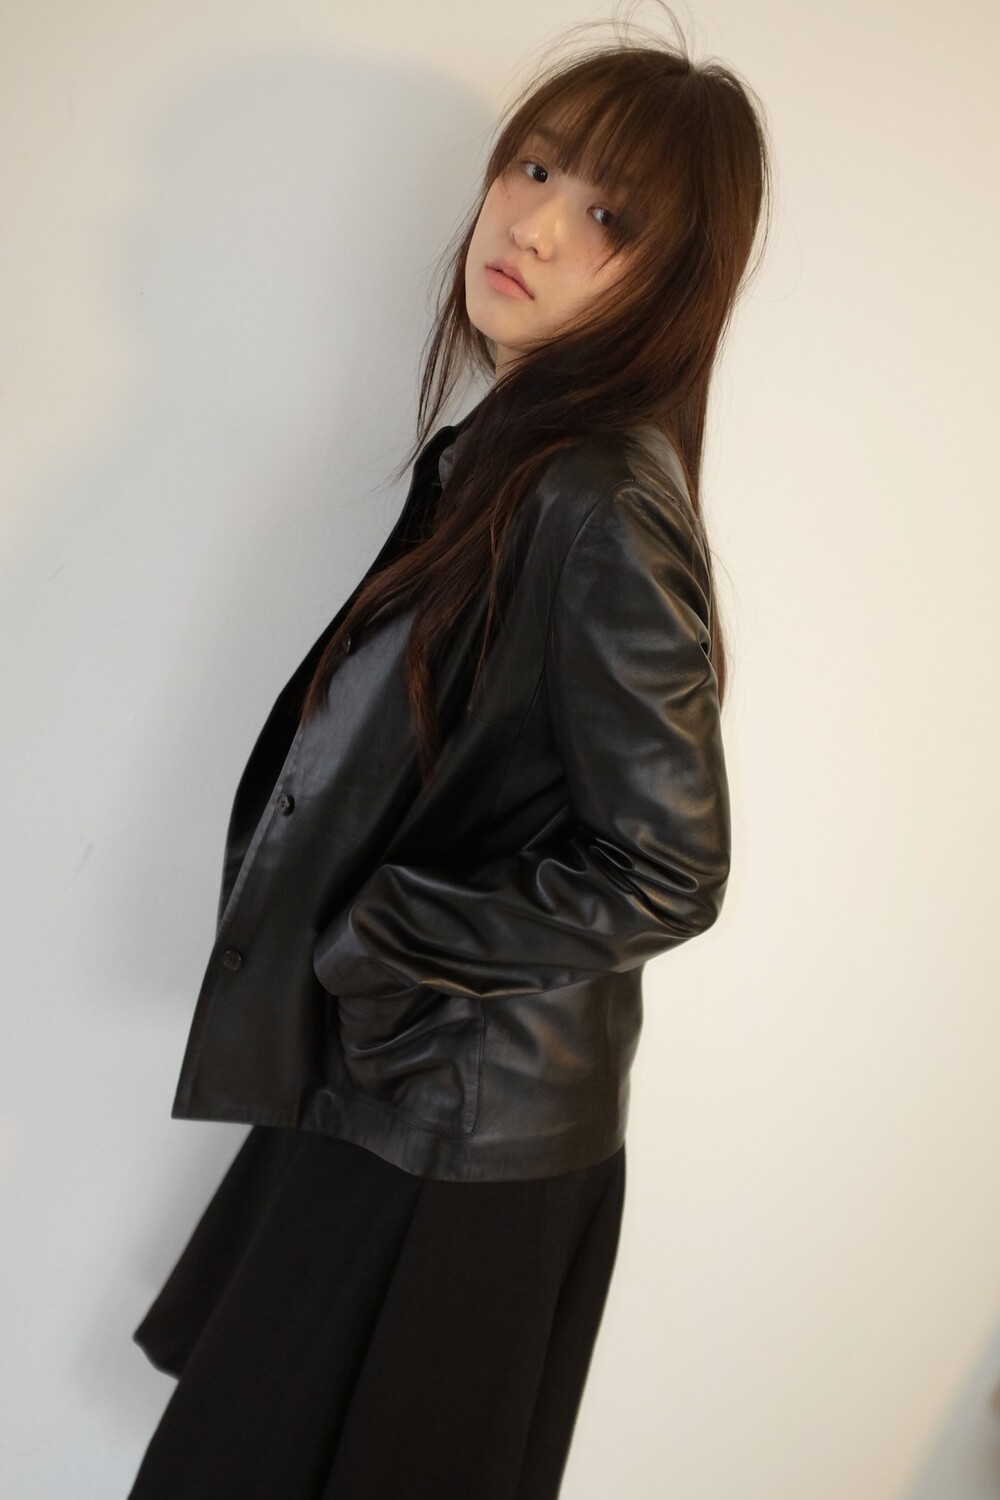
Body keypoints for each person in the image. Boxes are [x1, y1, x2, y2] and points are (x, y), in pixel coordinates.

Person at [128, 10, 771, 1498]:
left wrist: (381, 940)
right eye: (533, 168)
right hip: (410, 1089)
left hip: (460, 1136)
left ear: (669, 279)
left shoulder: (600, 502)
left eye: (607, 215)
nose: (533, 224)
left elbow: (670, 866)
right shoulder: (514, 459)